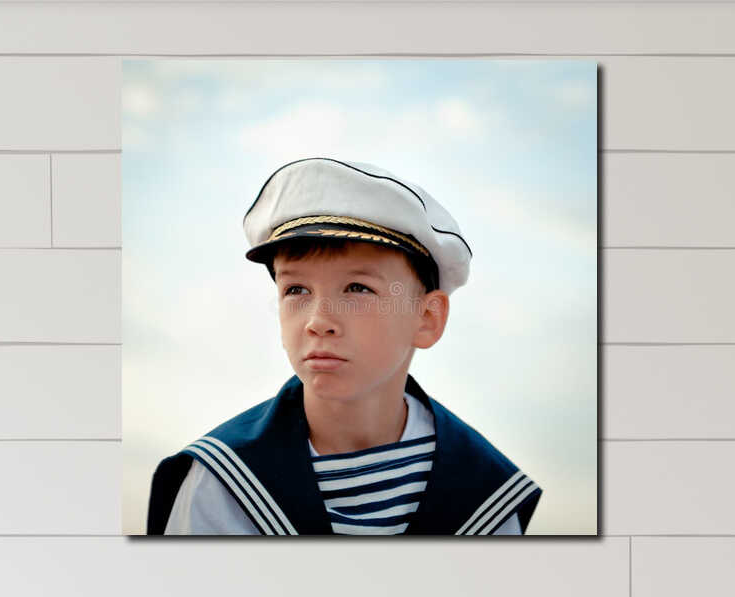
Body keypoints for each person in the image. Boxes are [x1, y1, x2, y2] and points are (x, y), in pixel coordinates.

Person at [147, 157, 539, 536]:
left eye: (357, 288)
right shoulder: (221, 484)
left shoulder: (483, 496)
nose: (318, 321)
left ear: (427, 318)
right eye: (296, 289)